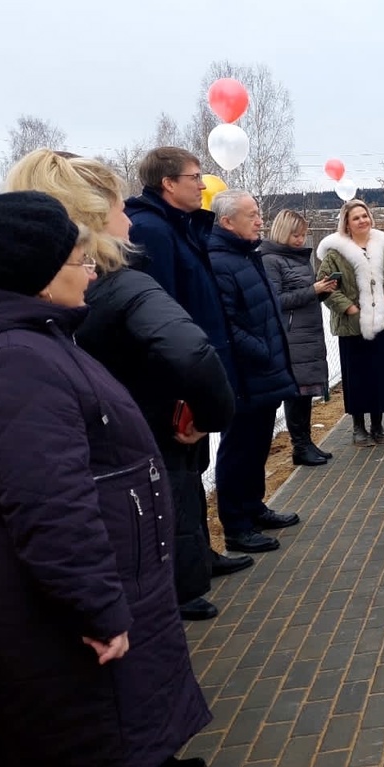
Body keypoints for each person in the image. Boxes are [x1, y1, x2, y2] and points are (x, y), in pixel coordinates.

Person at [0, 192, 211, 767]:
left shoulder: (34, 339)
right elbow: (50, 502)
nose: (93, 271)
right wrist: (94, 606)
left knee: (119, 724)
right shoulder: (13, 362)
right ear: (36, 275)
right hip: (55, 608)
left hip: (97, 585)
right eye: (79, 260)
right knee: (87, 736)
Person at [2, 150, 238, 623]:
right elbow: (190, 349)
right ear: (94, 215)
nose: (128, 219)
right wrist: (212, 413)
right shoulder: (123, 285)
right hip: (129, 464)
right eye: (118, 207)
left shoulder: (12, 311)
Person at [126, 146, 255, 580]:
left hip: (196, 366)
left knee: (193, 469)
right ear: (168, 183)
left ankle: (201, 555)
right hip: (174, 378)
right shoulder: (152, 231)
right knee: (177, 476)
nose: (203, 185)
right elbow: (163, 313)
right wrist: (185, 380)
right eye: (195, 177)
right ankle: (184, 576)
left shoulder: (179, 226)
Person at [208, 189, 301, 553]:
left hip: (264, 369)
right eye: (252, 214)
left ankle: (254, 506)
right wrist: (262, 350)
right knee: (239, 447)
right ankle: (236, 525)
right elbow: (226, 323)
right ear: (228, 221)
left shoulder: (248, 254)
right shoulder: (219, 260)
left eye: (258, 212)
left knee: (259, 442)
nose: (260, 219)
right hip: (244, 372)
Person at [316, 198, 384, 446]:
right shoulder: (336, 254)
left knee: (380, 375)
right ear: (347, 223)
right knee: (358, 378)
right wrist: (348, 306)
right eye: (356, 217)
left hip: (382, 321)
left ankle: (377, 426)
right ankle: (358, 428)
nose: (362, 220)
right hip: (352, 326)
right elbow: (325, 286)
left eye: (365, 215)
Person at [262, 209, 336, 466]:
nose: (301, 240)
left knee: (305, 392)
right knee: (295, 391)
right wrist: (311, 290)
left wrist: (323, 290)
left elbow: (306, 293)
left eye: (303, 235)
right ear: (283, 232)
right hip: (291, 335)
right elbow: (276, 300)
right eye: (296, 234)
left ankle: (306, 441)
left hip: (309, 331)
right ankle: (299, 446)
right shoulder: (270, 260)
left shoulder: (299, 258)